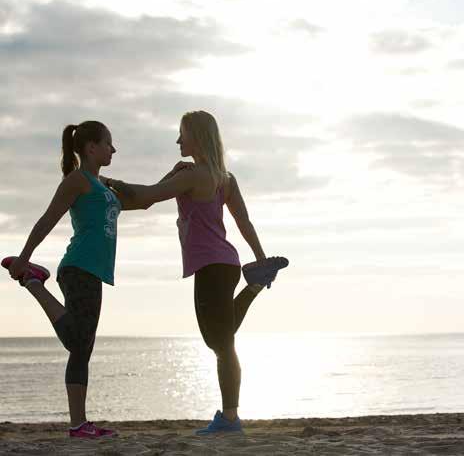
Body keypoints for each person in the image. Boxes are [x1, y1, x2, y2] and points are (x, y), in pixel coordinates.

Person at [106, 110, 288, 434]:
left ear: (197, 137)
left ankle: (230, 419)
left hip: (210, 266)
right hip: (226, 264)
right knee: (221, 341)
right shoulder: (223, 178)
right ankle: (256, 281)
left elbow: (146, 196)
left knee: (220, 343)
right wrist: (258, 258)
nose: (178, 140)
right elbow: (243, 222)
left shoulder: (194, 176)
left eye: (182, 134)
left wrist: (103, 181)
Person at [1, 120, 140, 438]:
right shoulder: (77, 180)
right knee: (78, 343)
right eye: (108, 143)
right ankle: (34, 283)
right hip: (79, 268)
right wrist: (23, 258)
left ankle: (80, 424)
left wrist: (172, 179)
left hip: (94, 271)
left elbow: (143, 197)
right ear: (91, 147)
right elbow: (47, 218)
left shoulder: (103, 184)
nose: (113, 149)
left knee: (82, 347)